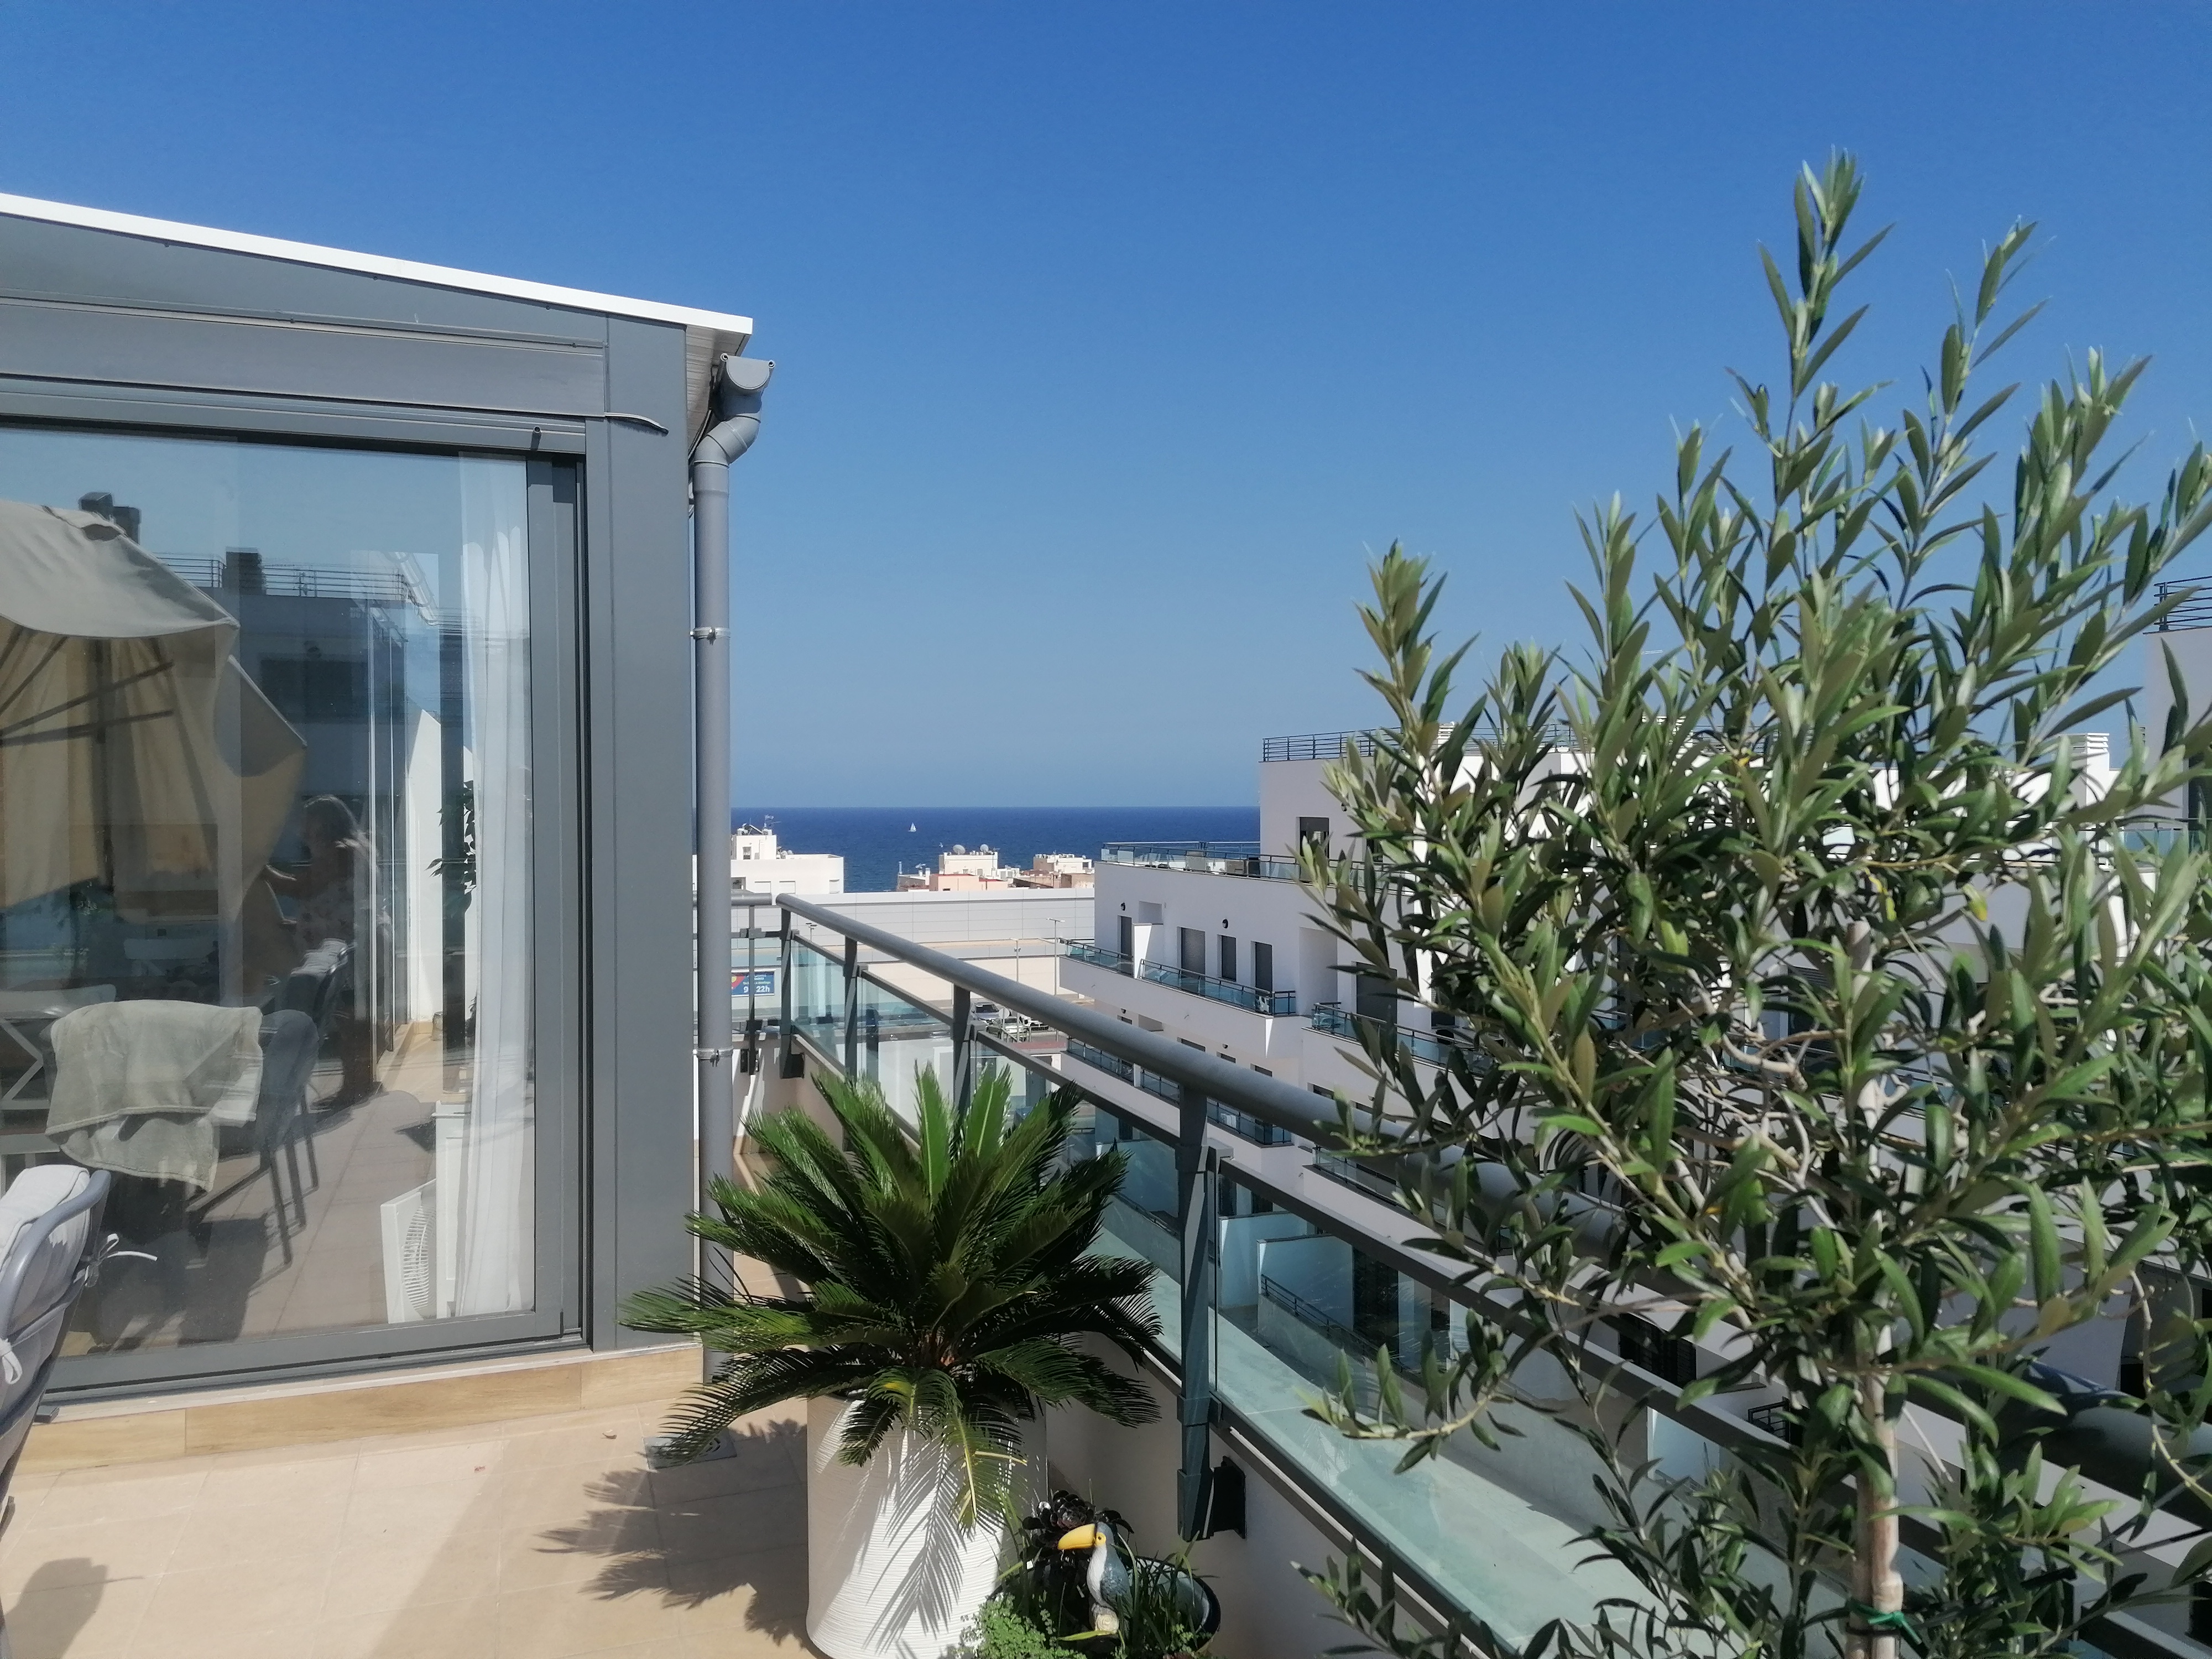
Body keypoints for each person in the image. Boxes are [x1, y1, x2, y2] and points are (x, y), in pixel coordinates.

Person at [264, 795, 378, 1105]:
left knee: (349, 1021)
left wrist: (259, 869)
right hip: (356, 941)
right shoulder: (356, 847)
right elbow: (334, 898)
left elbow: (302, 888)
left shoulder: (340, 851)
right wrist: (301, 924)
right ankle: (360, 1084)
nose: (302, 828)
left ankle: (355, 1088)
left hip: (350, 945)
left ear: (323, 823)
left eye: (308, 820)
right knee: (354, 1020)